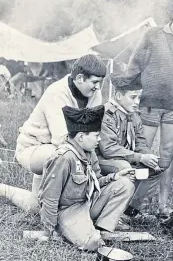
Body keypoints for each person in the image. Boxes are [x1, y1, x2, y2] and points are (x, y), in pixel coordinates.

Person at [0, 54, 105, 213]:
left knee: (35, 207)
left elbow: (94, 133)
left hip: (63, 150)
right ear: (80, 78)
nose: (98, 87)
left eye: (100, 82)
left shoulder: (94, 93)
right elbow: (62, 139)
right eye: (95, 82)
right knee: (65, 156)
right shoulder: (57, 92)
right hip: (34, 149)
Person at [126, 0, 173, 220]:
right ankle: (133, 204)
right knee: (143, 154)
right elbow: (135, 64)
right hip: (149, 103)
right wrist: (130, 96)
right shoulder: (152, 35)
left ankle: (162, 206)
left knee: (166, 157)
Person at [38, 105, 135, 251]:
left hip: (87, 203)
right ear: (81, 137)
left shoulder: (89, 152)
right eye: (96, 135)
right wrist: (49, 230)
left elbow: (95, 182)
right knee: (92, 243)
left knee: (125, 184)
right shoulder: (64, 158)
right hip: (67, 211)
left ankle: (101, 228)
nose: (99, 139)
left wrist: (115, 176)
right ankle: (88, 233)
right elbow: (49, 198)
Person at [96, 72, 163, 220]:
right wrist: (139, 157)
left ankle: (131, 210)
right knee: (124, 168)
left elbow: (140, 142)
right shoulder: (106, 114)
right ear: (119, 96)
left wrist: (148, 157)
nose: (137, 102)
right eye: (133, 97)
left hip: (124, 157)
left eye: (139, 97)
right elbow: (108, 149)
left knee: (155, 168)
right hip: (100, 160)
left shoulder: (133, 115)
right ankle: (112, 212)